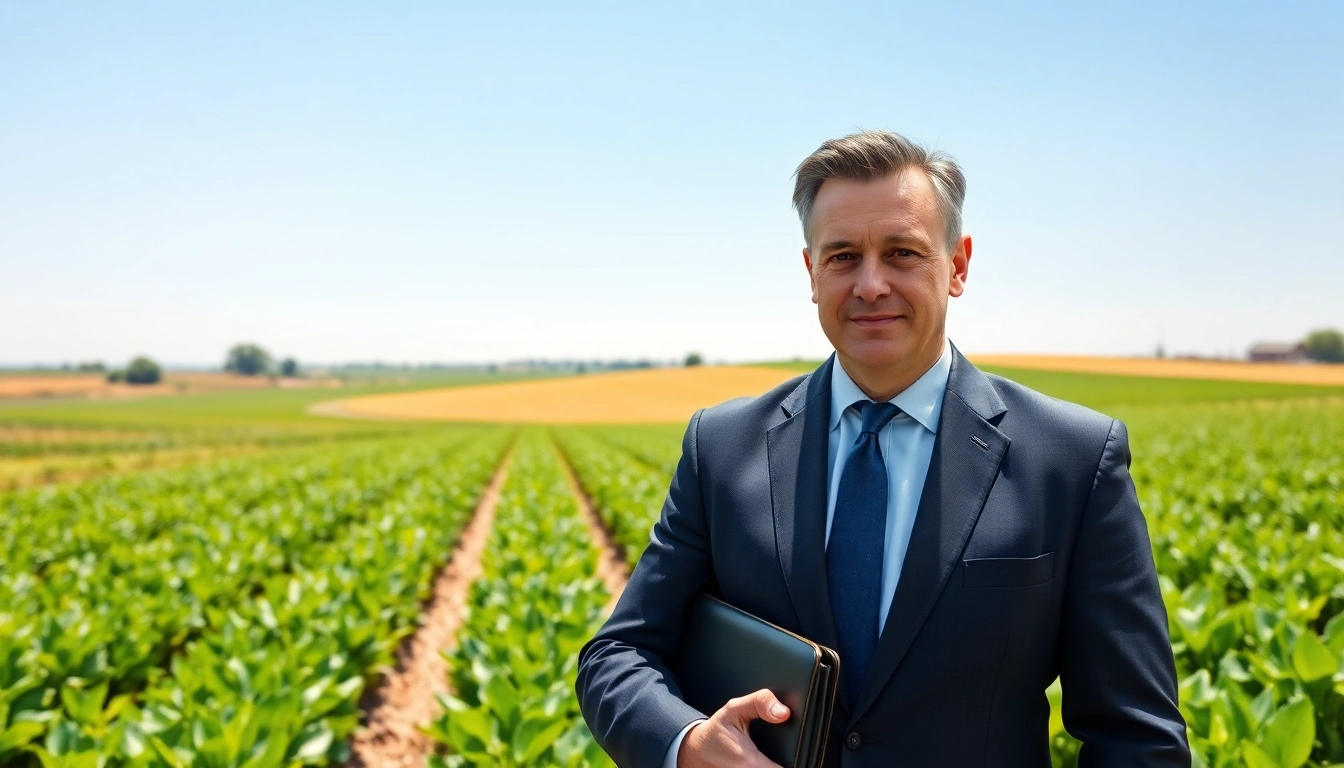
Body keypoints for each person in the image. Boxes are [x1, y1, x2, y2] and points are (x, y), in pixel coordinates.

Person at [575, 130, 1189, 767]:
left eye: (902, 253)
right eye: (843, 257)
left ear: (957, 265)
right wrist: (688, 743)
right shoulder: (722, 448)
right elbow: (617, 657)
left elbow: (1136, 737)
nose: (870, 284)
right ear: (811, 272)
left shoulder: (1072, 460)